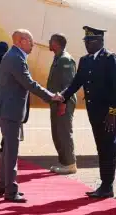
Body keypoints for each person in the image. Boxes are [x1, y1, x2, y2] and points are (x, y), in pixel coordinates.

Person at [56, 26, 116, 198]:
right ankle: (105, 184)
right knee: (101, 147)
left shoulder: (110, 58)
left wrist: (113, 113)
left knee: (109, 148)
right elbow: (76, 82)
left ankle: (108, 186)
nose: (87, 45)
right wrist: (62, 96)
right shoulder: (85, 60)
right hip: (94, 112)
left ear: (100, 42)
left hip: (109, 114)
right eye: (86, 41)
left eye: (91, 41)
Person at [0, 29, 61, 203]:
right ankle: (10, 191)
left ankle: (1, 185)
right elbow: (29, 83)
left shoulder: (13, 56)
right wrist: (51, 96)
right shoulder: (16, 58)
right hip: (10, 112)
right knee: (11, 152)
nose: (32, 45)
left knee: (6, 150)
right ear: (22, 41)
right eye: (30, 41)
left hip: (7, 111)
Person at [46, 33, 77, 175]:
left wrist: (63, 102)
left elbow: (69, 84)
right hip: (57, 102)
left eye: (51, 41)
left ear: (56, 43)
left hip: (63, 102)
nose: (48, 43)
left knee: (64, 132)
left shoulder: (65, 60)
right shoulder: (58, 58)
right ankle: (64, 162)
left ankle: (70, 164)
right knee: (57, 133)